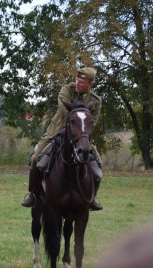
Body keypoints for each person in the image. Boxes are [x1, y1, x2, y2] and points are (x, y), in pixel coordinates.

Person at [21, 67, 103, 210]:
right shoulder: (66, 90)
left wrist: (83, 136)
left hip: (81, 137)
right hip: (56, 132)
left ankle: (92, 198)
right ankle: (33, 194)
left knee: (98, 167)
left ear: (91, 84)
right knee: (36, 159)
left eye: (82, 82)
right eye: (77, 80)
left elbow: (92, 123)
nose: (77, 83)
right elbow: (66, 114)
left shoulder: (96, 100)